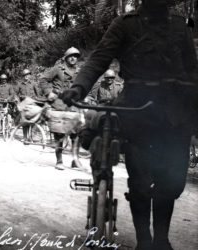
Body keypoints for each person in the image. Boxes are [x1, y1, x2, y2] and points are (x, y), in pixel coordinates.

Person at [60, 1, 198, 249]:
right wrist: (78, 87)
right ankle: (146, 240)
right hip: (137, 112)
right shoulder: (125, 25)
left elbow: (192, 69)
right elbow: (99, 59)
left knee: (173, 182)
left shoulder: (180, 26)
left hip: (176, 113)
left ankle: (162, 238)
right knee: (141, 183)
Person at [41, 47, 81, 170]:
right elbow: (43, 80)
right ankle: (59, 160)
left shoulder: (80, 71)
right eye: (71, 56)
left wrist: (87, 97)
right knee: (59, 134)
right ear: (66, 57)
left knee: (75, 134)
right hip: (59, 104)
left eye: (76, 56)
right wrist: (49, 93)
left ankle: (75, 160)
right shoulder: (58, 69)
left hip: (73, 105)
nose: (73, 58)